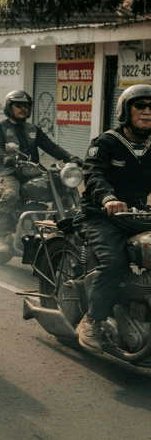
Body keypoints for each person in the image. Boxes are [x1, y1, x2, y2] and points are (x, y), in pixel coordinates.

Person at [75, 84, 151, 354]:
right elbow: (94, 174)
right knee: (114, 262)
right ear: (125, 111)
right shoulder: (106, 143)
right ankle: (91, 321)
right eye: (140, 105)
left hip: (138, 215)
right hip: (101, 215)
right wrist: (108, 198)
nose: (147, 111)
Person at [0, 90, 82, 253]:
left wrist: (71, 157)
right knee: (10, 194)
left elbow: (51, 147)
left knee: (63, 187)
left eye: (26, 106)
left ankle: (58, 227)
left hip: (30, 171)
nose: (23, 109)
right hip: (6, 173)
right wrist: (5, 158)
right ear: (8, 107)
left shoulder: (32, 129)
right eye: (18, 106)